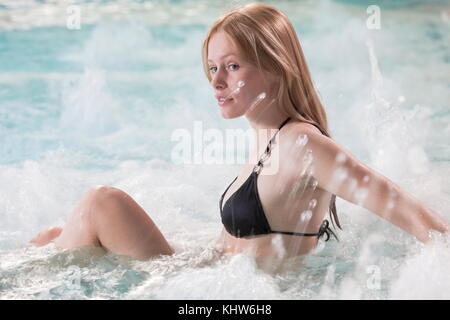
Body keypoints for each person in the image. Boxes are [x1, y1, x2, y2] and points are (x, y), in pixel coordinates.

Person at [29, 2, 449, 266]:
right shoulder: (267, 135)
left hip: (215, 294)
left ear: (276, 66)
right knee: (51, 236)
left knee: (101, 202)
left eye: (231, 66)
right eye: (212, 68)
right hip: (201, 277)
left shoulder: (302, 144)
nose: (216, 82)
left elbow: (404, 207)